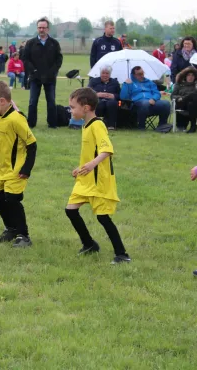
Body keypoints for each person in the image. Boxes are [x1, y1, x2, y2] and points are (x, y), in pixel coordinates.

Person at [65, 88, 130, 264]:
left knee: (102, 217)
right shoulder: (86, 125)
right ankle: (89, 244)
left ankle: (122, 254)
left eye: (73, 107)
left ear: (85, 108)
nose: (70, 110)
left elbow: (107, 149)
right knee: (70, 210)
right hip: (85, 178)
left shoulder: (98, 125)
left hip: (99, 180)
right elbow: (91, 152)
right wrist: (81, 168)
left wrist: (92, 164)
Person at [0, 81, 37, 247]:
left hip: (16, 169)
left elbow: (32, 145)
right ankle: (11, 229)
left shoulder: (17, 119)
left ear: (2, 101)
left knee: (12, 200)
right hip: (2, 168)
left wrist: (26, 169)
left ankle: (24, 235)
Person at [23, 17, 63, 128]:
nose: (41, 30)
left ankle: (52, 123)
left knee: (51, 101)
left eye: (44, 28)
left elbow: (59, 59)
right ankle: (31, 123)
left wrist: (53, 72)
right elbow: (25, 59)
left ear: (48, 29)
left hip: (50, 78)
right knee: (33, 101)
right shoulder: (31, 43)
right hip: (35, 77)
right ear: (37, 28)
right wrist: (33, 70)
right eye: (40, 27)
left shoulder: (54, 43)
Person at [120, 66, 171, 130]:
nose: (142, 75)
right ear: (134, 75)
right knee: (144, 103)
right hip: (136, 104)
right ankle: (141, 126)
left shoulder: (149, 82)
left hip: (152, 102)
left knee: (166, 103)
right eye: (139, 74)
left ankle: (162, 125)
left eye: (142, 73)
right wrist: (127, 85)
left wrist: (154, 99)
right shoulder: (129, 83)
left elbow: (157, 93)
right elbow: (123, 97)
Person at [89, 65, 121, 130]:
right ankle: (94, 124)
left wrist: (113, 96)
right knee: (99, 104)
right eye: (103, 73)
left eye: (107, 73)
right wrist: (97, 94)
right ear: (100, 73)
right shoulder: (93, 81)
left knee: (112, 104)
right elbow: (88, 92)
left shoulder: (115, 82)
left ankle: (111, 125)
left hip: (111, 102)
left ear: (110, 74)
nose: (105, 75)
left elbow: (120, 95)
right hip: (98, 100)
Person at [171, 67, 197, 133]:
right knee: (192, 95)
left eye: (192, 75)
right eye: (188, 75)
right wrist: (179, 98)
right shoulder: (179, 84)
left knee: (191, 101)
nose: (190, 77)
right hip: (181, 104)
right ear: (185, 76)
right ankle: (193, 126)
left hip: (193, 106)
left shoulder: (195, 85)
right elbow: (172, 96)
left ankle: (193, 126)